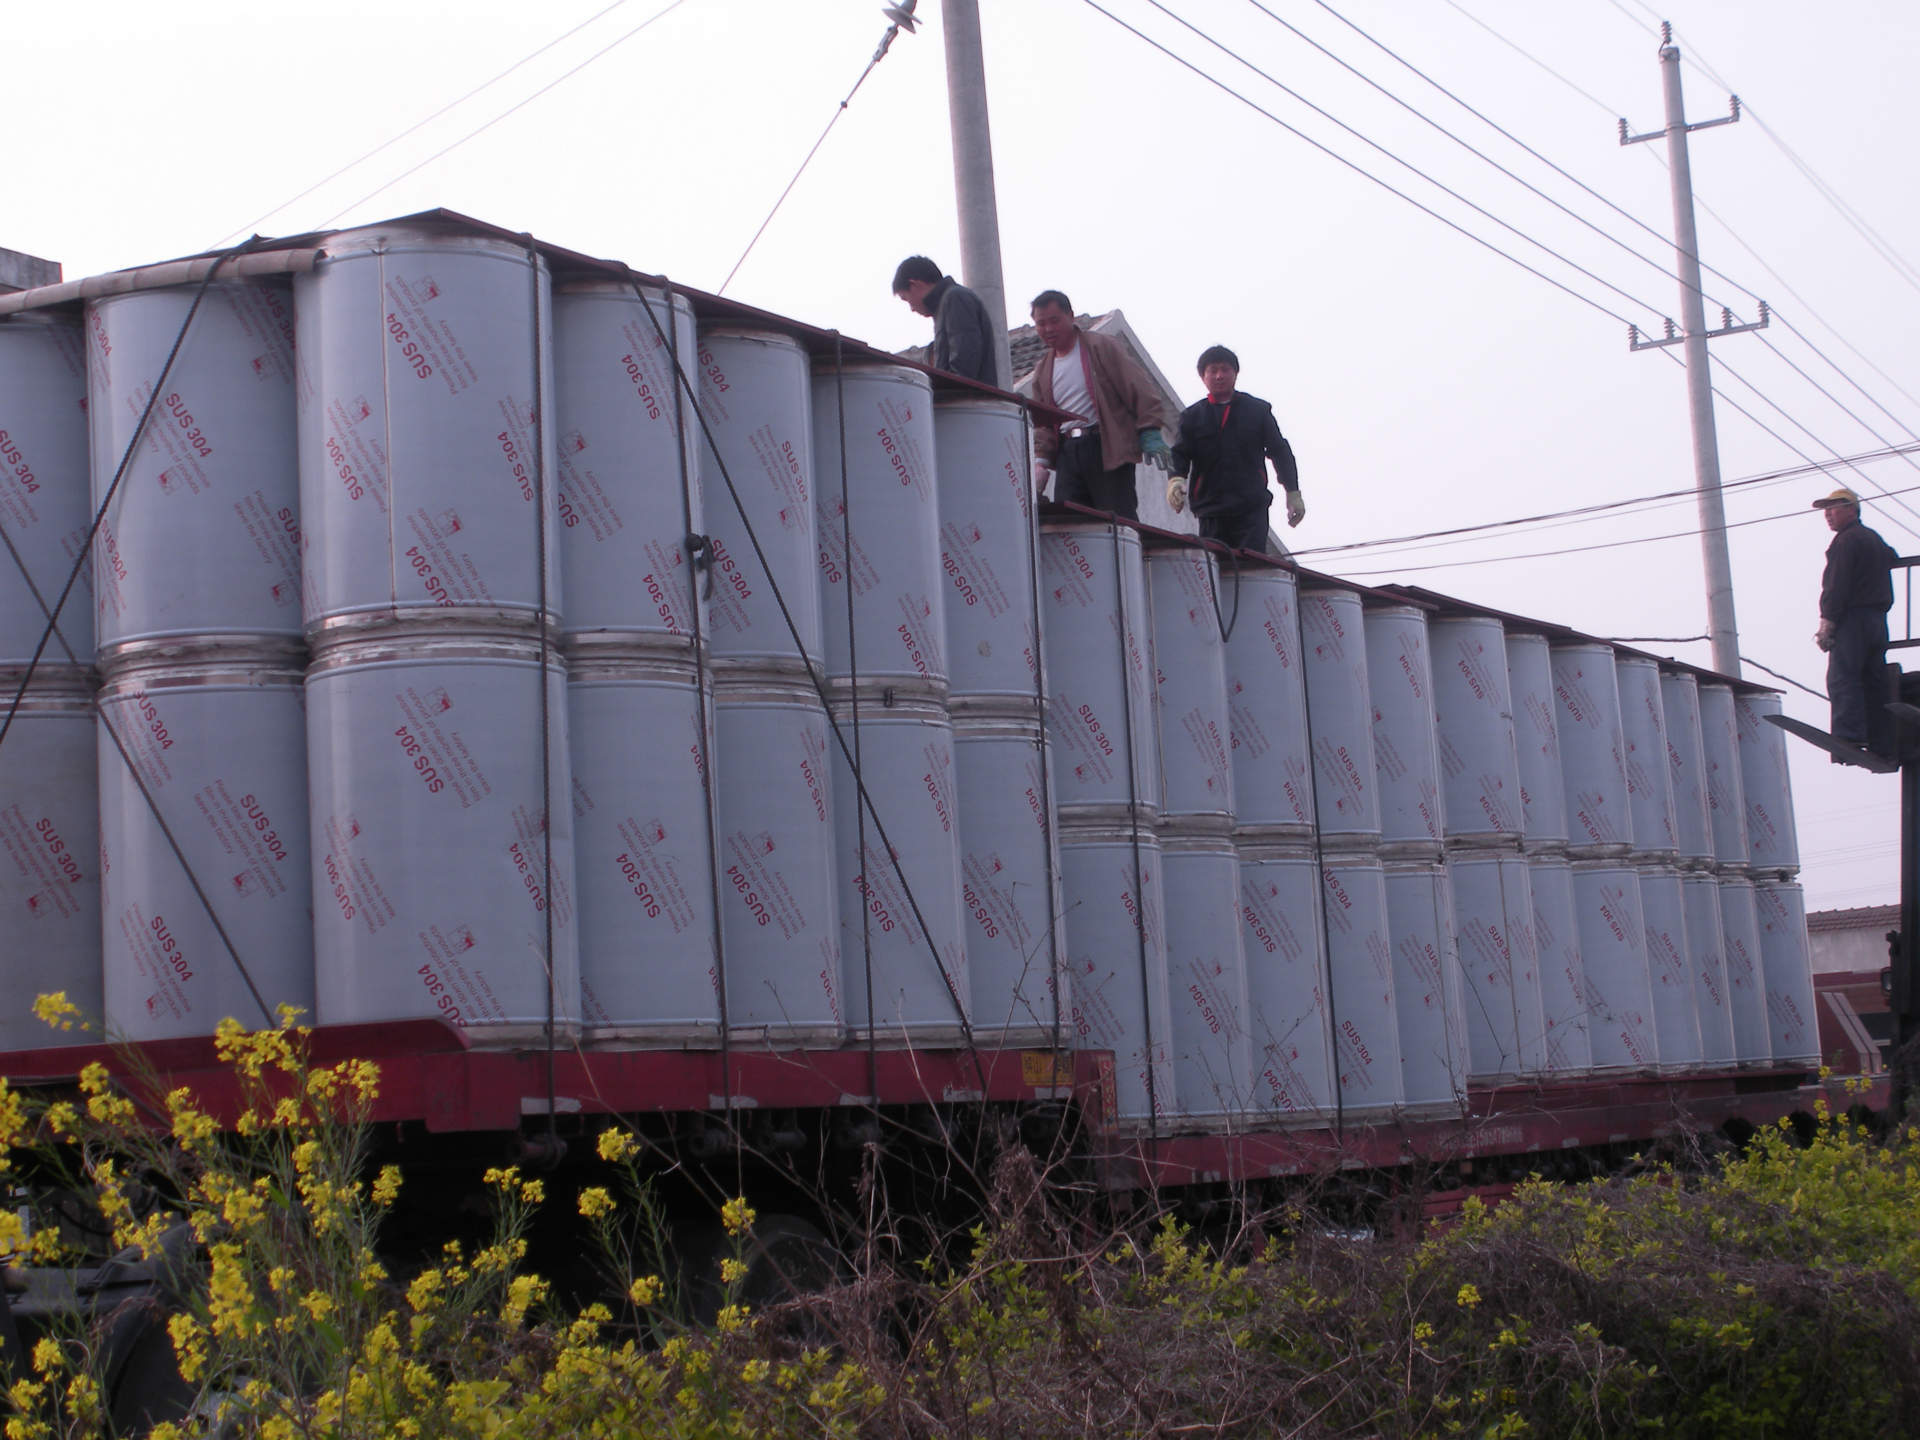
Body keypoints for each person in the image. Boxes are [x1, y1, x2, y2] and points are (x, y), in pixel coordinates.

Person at [1027, 290, 1170, 520]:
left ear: (1070, 316)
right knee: (1070, 521)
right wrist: (1041, 462)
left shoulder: (1100, 347)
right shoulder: (1043, 369)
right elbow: (1044, 423)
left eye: (1054, 321)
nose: (1048, 329)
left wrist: (1149, 428)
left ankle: (1125, 557)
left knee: (1117, 521)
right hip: (1068, 452)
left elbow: (1138, 386)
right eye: (1041, 323)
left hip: (1105, 445)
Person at [1164, 345, 1304, 555]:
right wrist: (1176, 480)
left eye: (1225, 369)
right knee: (1214, 569)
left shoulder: (1258, 411)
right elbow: (1180, 453)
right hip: (1211, 510)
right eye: (1212, 371)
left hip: (1250, 509)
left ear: (1235, 373)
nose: (1219, 376)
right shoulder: (1192, 417)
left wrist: (1292, 492)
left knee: (1251, 567)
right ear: (1203, 377)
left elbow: (1279, 451)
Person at [1812, 485, 1899, 751]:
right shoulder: (1871, 537)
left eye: (1834, 507)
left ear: (1852, 509)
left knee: (1844, 676)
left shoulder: (1846, 542)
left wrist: (1828, 621)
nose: (1828, 514)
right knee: (1874, 680)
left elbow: (1836, 586)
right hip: (1877, 621)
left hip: (1853, 620)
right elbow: (1891, 556)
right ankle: (1881, 741)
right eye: (1826, 510)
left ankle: (1848, 736)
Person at [891, 256, 998, 386]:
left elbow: (963, 369)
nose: (912, 308)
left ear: (915, 285)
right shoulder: (945, 304)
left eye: (906, 299)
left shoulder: (955, 298)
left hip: (968, 402)